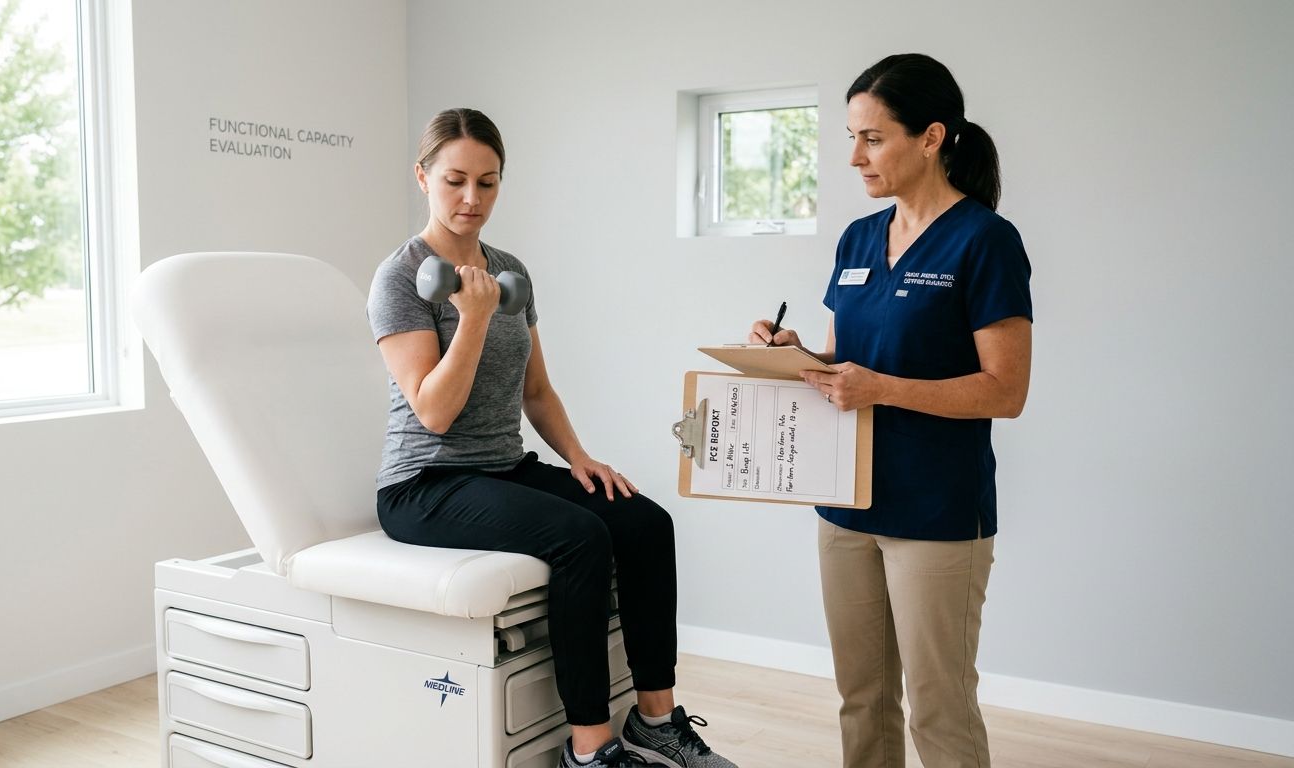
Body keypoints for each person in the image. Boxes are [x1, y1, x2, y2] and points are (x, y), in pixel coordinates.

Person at [368, 108, 738, 768]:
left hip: (502, 467)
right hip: (425, 486)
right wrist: (473, 320)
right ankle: (590, 749)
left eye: (488, 182)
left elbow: (536, 391)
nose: (471, 199)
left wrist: (581, 461)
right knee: (580, 537)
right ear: (421, 177)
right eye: (455, 181)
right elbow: (433, 413)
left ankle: (655, 719)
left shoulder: (510, 269)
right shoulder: (401, 278)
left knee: (644, 522)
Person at [750, 54, 1032, 768]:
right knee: (863, 699)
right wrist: (794, 354)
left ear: (931, 137)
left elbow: (1006, 390)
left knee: (940, 706)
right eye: (852, 137)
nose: (854, 157)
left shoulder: (985, 242)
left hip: (936, 514)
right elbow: (845, 364)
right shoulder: (856, 240)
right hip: (845, 506)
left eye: (872, 138)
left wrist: (884, 388)